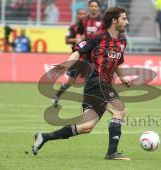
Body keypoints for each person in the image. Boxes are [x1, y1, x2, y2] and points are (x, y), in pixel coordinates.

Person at [32, 6, 131, 160]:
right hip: (96, 81)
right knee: (120, 111)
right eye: (124, 19)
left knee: (86, 127)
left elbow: (118, 62)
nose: (127, 22)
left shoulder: (122, 41)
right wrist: (65, 66)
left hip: (100, 85)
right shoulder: (97, 37)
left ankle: (44, 137)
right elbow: (78, 51)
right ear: (114, 20)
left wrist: (123, 77)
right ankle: (112, 153)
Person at [53, 0, 103, 106]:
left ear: (98, 7)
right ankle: (57, 96)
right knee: (70, 81)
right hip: (83, 55)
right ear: (89, 7)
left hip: (96, 55)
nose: (94, 8)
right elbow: (79, 34)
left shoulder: (102, 21)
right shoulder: (84, 21)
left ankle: (90, 101)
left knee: (91, 79)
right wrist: (80, 42)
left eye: (95, 6)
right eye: (92, 6)